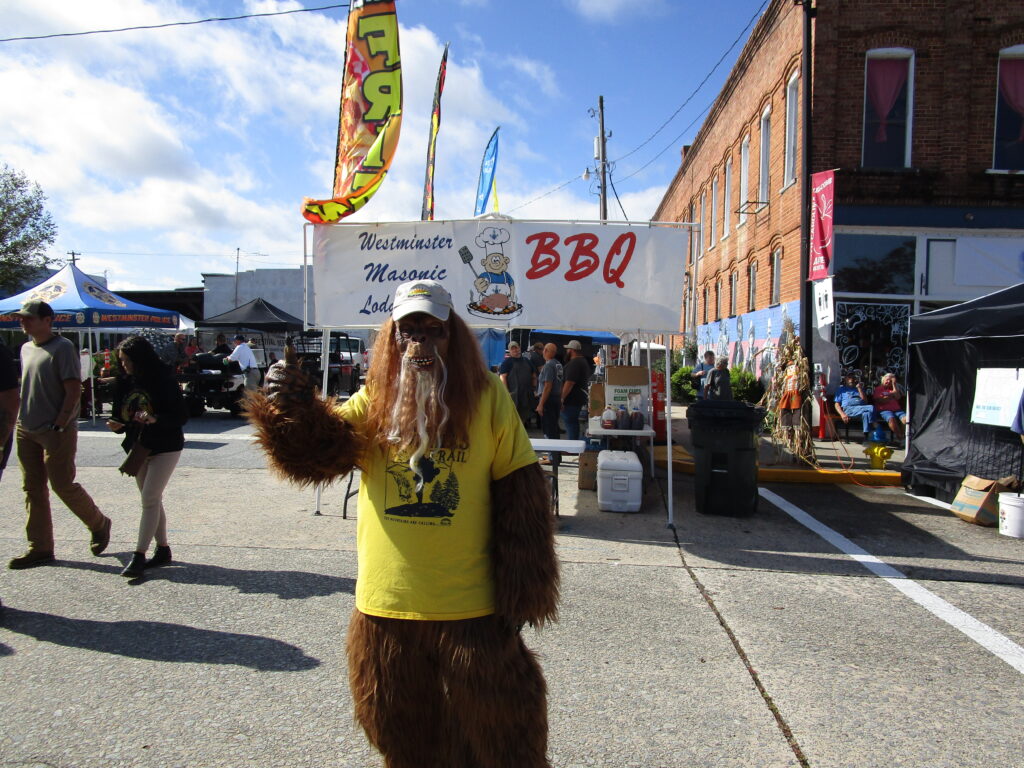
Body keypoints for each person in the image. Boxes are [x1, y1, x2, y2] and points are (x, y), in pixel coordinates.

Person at [246, 279, 558, 767]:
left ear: (453, 336)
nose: (420, 343)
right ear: (390, 339)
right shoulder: (375, 398)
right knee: (402, 738)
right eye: (407, 331)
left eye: (433, 330)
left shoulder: (487, 399)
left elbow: (522, 497)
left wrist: (525, 592)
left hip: (471, 609)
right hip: (387, 608)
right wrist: (291, 408)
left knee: (504, 739)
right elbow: (319, 452)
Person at [8, 300, 110, 570]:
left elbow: (74, 390)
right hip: (26, 428)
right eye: (21, 318)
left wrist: (61, 423)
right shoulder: (25, 348)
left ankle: (99, 523)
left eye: (29, 318)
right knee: (33, 489)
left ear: (47, 321)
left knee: (63, 485)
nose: (23, 322)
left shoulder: (63, 347)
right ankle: (40, 547)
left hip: (56, 430)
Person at [106, 336, 188, 578]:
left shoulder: (163, 380)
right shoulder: (124, 382)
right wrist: (117, 425)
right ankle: (163, 549)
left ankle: (139, 554)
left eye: (127, 361)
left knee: (149, 499)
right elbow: (121, 416)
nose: (123, 365)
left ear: (139, 359)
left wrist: (156, 419)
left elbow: (181, 416)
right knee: (151, 499)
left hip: (166, 444)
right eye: (121, 361)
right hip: (139, 446)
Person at [535, 342, 563, 464]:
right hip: (556, 399)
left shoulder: (548, 366)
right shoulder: (558, 364)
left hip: (549, 400)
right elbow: (560, 383)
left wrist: (541, 404)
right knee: (554, 429)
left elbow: (547, 386)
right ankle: (555, 456)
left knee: (549, 429)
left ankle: (553, 458)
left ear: (546, 351)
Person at [499, 341, 536, 426]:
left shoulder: (527, 361)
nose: (515, 350)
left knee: (523, 416)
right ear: (509, 351)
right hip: (514, 395)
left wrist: (534, 388)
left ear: (519, 348)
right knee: (512, 418)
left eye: (516, 347)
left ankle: (521, 434)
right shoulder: (507, 362)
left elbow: (534, 375)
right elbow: (502, 377)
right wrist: (507, 393)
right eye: (512, 348)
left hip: (526, 394)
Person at [560, 339, 590, 441]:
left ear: (571, 350)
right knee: (572, 423)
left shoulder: (575, 363)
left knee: (571, 423)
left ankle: (572, 446)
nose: (566, 351)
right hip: (577, 399)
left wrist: (562, 398)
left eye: (567, 349)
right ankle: (573, 444)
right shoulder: (582, 361)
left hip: (572, 400)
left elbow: (569, 383)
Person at [834, 373, 874, 437]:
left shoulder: (859, 389)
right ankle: (876, 426)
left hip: (861, 409)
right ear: (845, 380)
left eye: (853, 378)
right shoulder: (841, 390)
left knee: (866, 414)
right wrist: (842, 414)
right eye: (849, 378)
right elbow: (836, 404)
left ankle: (866, 436)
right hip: (849, 409)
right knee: (871, 407)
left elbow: (865, 402)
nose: (851, 380)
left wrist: (859, 389)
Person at [873, 372, 907, 441]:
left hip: (897, 409)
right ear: (883, 379)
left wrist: (894, 385)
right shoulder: (878, 389)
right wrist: (892, 395)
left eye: (891, 381)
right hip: (885, 410)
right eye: (887, 380)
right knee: (891, 419)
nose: (888, 382)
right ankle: (900, 437)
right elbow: (881, 401)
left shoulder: (894, 389)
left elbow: (897, 397)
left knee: (906, 419)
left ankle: (905, 437)